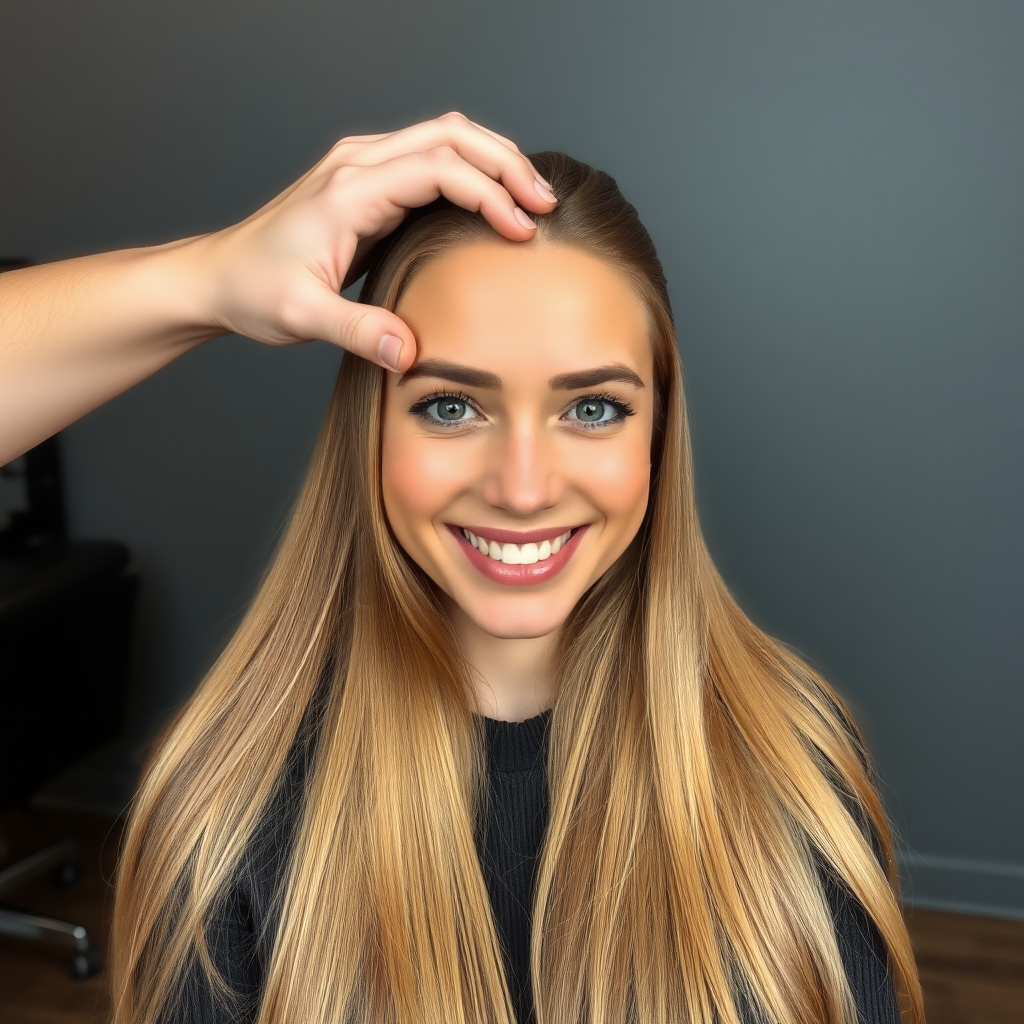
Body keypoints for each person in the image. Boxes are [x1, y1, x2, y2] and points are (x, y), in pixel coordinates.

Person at [1, 116, 924, 1024]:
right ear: (373, 427)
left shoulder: (795, 760)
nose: (522, 489)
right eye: (450, 407)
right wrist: (205, 278)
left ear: (660, 435)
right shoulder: (229, 808)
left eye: (593, 409)